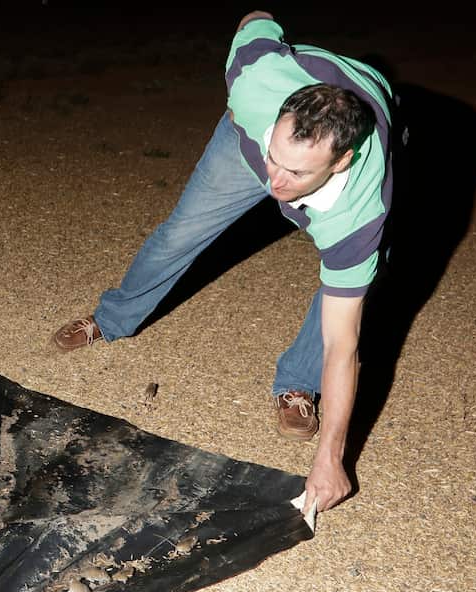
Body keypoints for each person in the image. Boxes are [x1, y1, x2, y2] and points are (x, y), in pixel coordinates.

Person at [52, 11, 394, 516]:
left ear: (340, 161)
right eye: (275, 159)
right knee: (181, 233)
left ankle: (299, 381)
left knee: (342, 293)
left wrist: (331, 457)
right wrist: (274, 156)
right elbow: (256, 18)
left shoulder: (358, 210)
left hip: (369, 111)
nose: (273, 184)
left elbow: (345, 344)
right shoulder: (255, 79)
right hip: (244, 137)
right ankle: (110, 317)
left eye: (295, 172)